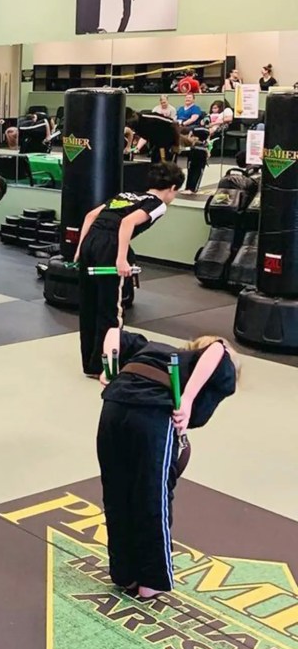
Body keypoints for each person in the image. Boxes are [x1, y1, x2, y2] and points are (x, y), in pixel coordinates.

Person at [97, 329, 238, 599]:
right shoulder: (197, 358)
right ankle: (153, 579)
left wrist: (110, 369)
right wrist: (186, 399)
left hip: (113, 408)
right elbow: (219, 349)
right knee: (153, 495)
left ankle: (125, 574)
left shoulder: (150, 346)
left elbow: (114, 332)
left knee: (116, 492)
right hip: (152, 412)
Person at [73, 162, 184, 376]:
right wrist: (121, 260)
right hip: (109, 247)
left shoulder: (127, 194)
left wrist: (80, 248)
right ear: (172, 188)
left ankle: (91, 365)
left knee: (89, 305)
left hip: (90, 242)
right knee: (110, 310)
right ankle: (105, 366)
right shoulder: (158, 204)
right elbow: (127, 223)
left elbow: (90, 215)